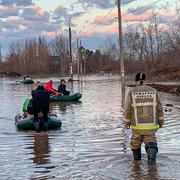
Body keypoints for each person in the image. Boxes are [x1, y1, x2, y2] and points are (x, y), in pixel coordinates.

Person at [124, 73, 164, 166]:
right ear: (145, 81)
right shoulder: (154, 91)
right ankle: (152, 165)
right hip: (151, 126)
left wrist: (127, 122)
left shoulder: (132, 92)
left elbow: (127, 109)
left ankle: (137, 165)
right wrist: (161, 122)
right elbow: (160, 108)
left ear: (136, 81)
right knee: (151, 141)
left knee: (135, 144)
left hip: (136, 127)